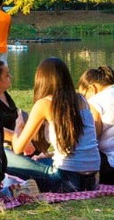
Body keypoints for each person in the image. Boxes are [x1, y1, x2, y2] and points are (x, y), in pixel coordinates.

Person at [7, 57, 101, 193]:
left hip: (65, 180)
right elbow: (80, 145)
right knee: (39, 160)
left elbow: (18, 148)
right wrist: (49, 155)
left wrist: (18, 126)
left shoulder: (45, 103)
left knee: (5, 155)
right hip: (92, 180)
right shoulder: (81, 99)